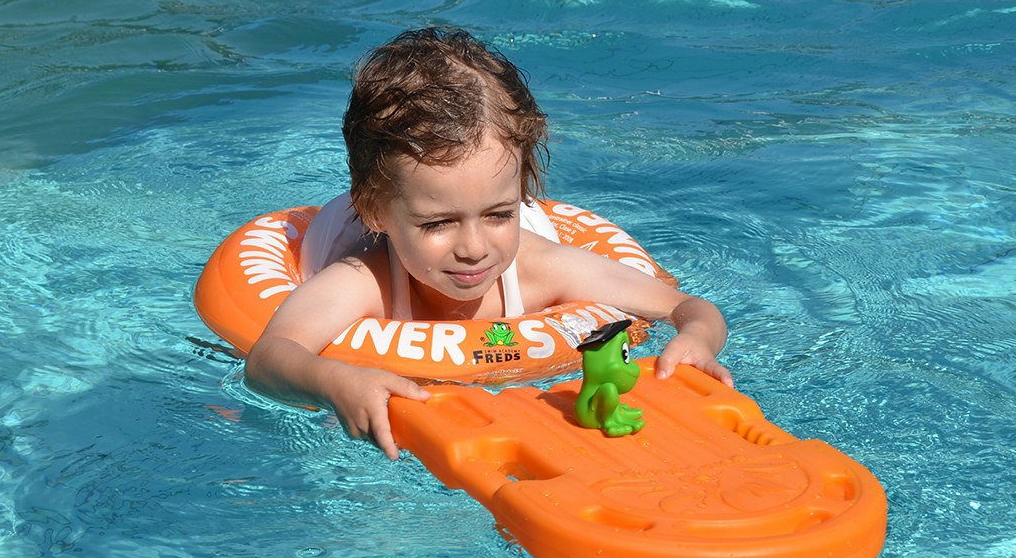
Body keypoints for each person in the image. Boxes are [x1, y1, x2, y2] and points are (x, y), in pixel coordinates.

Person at [246, 26, 731, 459]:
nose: (474, 248)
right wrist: (333, 380)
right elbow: (267, 359)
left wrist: (696, 339)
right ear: (377, 213)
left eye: (499, 215)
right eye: (438, 224)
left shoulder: (542, 267)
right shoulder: (363, 279)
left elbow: (688, 307)